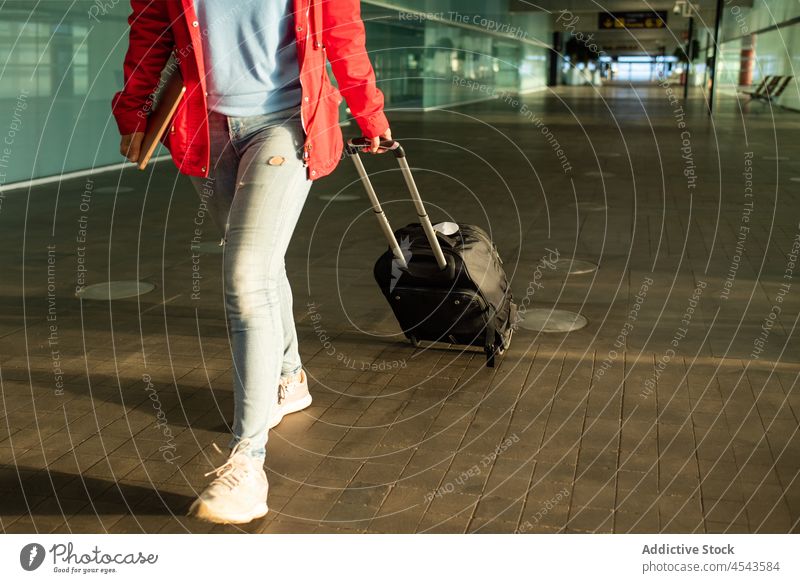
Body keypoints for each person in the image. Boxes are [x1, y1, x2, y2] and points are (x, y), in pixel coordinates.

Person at [112, 0, 391, 524]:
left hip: (287, 122)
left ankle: (248, 463)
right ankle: (291, 377)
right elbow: (151, 31)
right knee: (261, 267)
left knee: (245, 274)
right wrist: (133, 110)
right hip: (207, 128)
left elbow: (343, 33)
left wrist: (368, 110)